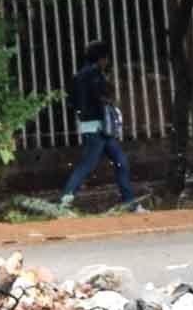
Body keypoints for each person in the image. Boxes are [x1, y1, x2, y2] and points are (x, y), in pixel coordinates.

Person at [61, 40, 143, 212]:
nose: (107, 61)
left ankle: (130, 204)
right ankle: (63, 205)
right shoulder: (95, 74)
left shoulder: (78, 76)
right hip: (99, 127)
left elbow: (71, 101)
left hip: (93, 127)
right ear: (101, 58)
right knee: (87, 166)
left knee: (120, 162)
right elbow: (102, 96)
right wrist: (109, 99)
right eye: (106, 58)